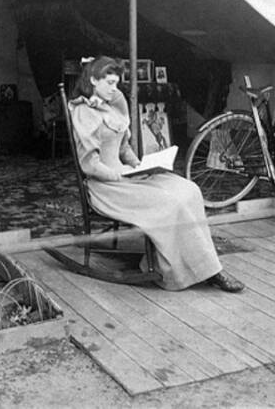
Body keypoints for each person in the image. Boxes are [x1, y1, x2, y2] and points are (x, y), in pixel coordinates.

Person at [68, 55, 244, 292]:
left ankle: (198, 263)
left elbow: (124, 148)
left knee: (189, 190)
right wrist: (119, 176)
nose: (114, 88)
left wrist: (139, 166)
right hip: (106, 186)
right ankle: (207, 270)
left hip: (126, 176)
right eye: (109, 82)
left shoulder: (113, 105)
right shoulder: (84, 111)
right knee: (169, 201)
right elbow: (89, 164)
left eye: (116, 83)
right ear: (93, 80)